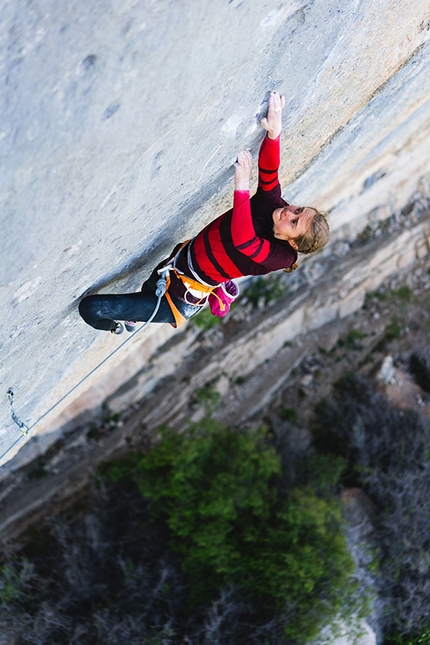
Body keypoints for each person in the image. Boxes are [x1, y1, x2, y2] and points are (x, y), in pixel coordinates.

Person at [79, 92, 329, 334]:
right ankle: (134, 315)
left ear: (294, 242)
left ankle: (114, 327)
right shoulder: (275, 207)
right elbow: (269, 173)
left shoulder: (281, 257)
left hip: (177, 300)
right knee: (145, 292)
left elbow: (244, 241)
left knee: (91, 308)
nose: (289, 213)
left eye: (294, 222)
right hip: (174, 263)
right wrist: (274, 133)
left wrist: (241, 186)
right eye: (298, 210)